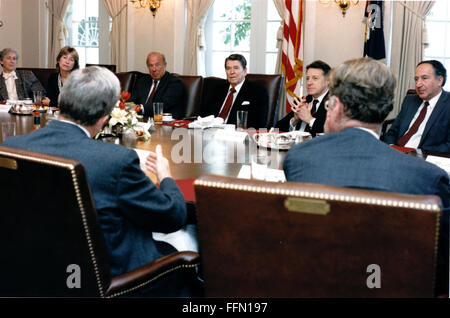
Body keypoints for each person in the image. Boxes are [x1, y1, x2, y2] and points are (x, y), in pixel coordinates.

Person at [2, 66, 199, 296]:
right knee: (187, 237)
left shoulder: (12, 147)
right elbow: (172, 217)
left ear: (62, 99)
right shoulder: (115, 161)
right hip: (108, 278)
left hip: (35, 270)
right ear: (105, 116)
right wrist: (165, 176)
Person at [283, 58, 449, 296]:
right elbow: (440, 271)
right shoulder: (431, 178)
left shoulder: (299, 158)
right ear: (385, 110)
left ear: (336, 106)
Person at [382, 60, 450, 153]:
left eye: (424, 78)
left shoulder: (447, 104)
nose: (418, 84)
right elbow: (393, 132)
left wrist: (417, 153)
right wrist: (391, 147)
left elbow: (448, 145)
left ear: (439, 80)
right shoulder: (410, 100)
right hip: (395, 153)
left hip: (423, 158)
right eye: (416, 79)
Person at [200, 53, 269, 129]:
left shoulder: (258, 92)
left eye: (236, 68)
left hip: (236, 134)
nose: (231, 72)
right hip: (211, 132)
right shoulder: (217, 89)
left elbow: (259, 124)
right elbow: (204, 115)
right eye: (228, 68)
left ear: (245, 71)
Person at [276, 60, 330, 136]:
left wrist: (309, 119)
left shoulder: (335, 103)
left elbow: (332, 133)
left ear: (328, 81)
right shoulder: (302, 101)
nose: (309, 83)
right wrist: (294, 120)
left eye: (315, 78)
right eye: (307, 78)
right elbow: (277, 128)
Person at [130, 51, 184, 119]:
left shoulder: (174, 82)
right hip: (139, 121)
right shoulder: (142, 81)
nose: (154, 69)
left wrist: (141, 108)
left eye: (157, 65)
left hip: (162, 122)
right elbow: (132, 100)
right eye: (151, 65)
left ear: (165, 65)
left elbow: (163, 105)